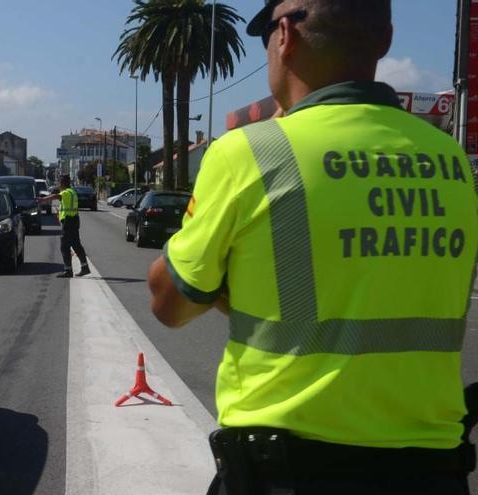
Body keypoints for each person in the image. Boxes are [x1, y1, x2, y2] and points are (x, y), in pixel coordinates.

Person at [147, 1, 478, 494]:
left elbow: (168, 304)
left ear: (284, 35)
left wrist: (225, 287)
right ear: (385, 39)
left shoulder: (252, 152)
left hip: (288, 470)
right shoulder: (449, 158)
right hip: (431, 471)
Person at [38, 174, 90, 278]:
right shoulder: (73, 192)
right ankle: (85, 267)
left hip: (69, 222)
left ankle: (68, 270)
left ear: (63, 183)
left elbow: (57, 196)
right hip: (74, 220)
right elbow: (65, 205)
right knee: (76, 245)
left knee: (64, 246)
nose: (58, 184)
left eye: (59, 182)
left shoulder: (65, 192)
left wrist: (43, 200)